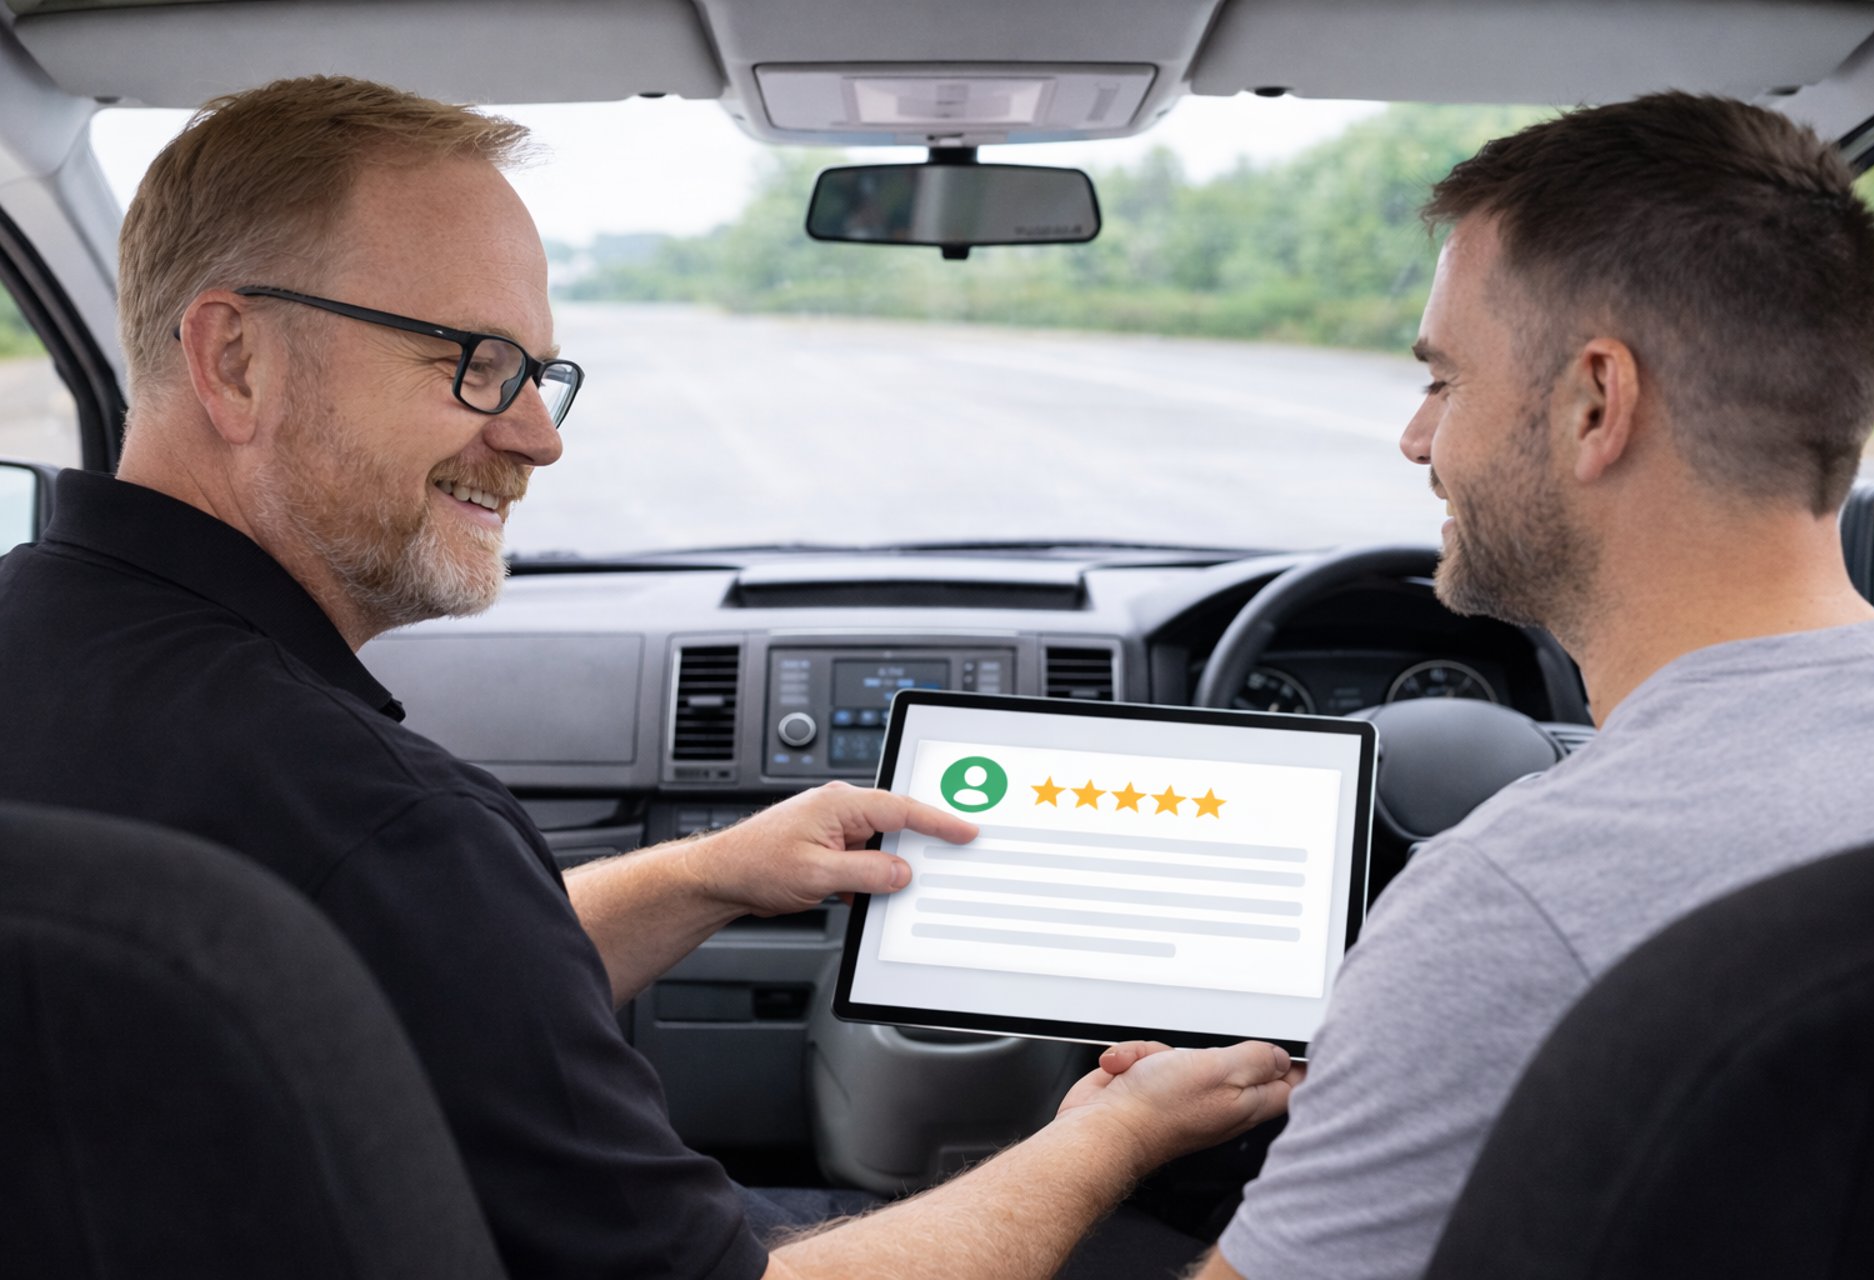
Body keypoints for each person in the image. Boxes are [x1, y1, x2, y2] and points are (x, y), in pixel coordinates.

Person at [0, 76, 1296, 1278]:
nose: (538, 437)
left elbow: (402, 978)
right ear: (235, 361)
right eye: (475, 363)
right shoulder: (381, 819)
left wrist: (709, 871)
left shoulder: (51, 648)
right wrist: (1113, 1135)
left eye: (540, 374)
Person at [1175, 92, 1874, 1279]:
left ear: (1594, 404)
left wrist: (1107, 1142)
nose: (1418, 440)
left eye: (1444, 380)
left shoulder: (1516, 900)